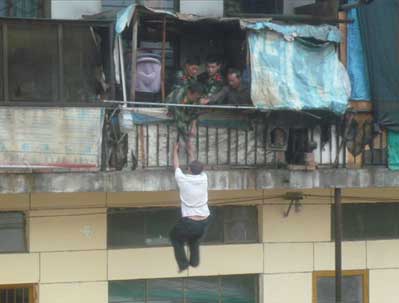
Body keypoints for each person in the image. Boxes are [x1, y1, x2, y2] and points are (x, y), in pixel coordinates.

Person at [170, 142, 210, 272]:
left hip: (190, 222)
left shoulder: (183, 179)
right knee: (194, 240)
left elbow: (176, 166)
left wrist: (175, 151)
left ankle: (183, 264)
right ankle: (194, 262)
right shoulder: (204, 178)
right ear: (201, 171)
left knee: (175, 237)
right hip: (204, 221)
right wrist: (190, 152)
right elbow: (195, 166)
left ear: (188, 170)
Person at [168, 82, 204, 148]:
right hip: (173, 108)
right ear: (189, 93)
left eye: (198, 97)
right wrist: (188, 141)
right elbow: (179, 121)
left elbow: (196, 111)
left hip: (185, 109)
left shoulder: (196, 95)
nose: (197, 99)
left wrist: (193, 126)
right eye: (196, 97)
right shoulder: (178, 98)